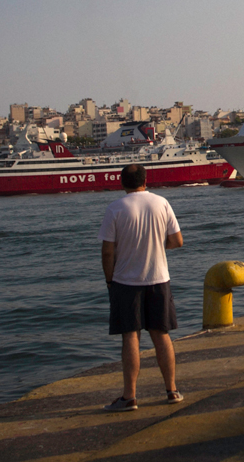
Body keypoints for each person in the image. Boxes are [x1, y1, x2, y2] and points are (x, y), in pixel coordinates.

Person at [98, 164, 185, 412]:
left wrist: (109, 279)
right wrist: (156, 246)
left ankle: (130, 397)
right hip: (159, 278)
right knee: (161, 335)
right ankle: (172, 390)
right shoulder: (162, 203)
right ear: (146, 180)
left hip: (126, 282)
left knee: (130, 336)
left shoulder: (115, 208)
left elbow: (107, 251)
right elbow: (177, 241)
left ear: (121, 182)